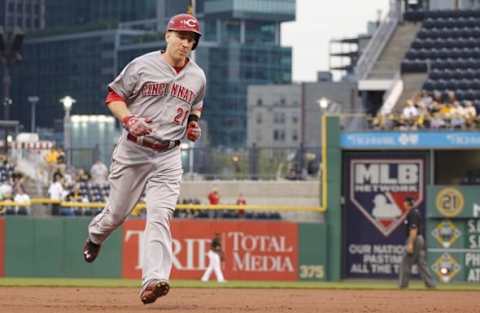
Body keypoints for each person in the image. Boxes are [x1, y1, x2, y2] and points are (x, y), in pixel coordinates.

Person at [82, 13, 205, 305]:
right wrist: (128, 119)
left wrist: (192, 124)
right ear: (167, 36)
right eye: (181, 36)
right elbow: (113, 96)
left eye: (191, 39)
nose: (185, 44)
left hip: (169, 154)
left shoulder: (197, 76)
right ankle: (95, 237)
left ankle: (154, 279)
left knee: (160, 215)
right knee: (116, 214)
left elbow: (196, 104)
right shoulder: (142, 65)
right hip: (134, 150)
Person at [398, 197, 436, 289]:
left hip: (414, 239)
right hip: (418, 239)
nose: (404, 205)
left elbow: (413, 229)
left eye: (405, 203)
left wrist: (410, 244)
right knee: (421, 263)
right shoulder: (415, 212)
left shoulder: (412, 213)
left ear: (407, 203)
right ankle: (431, 284)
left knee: (406, 262)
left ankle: (403, 285)